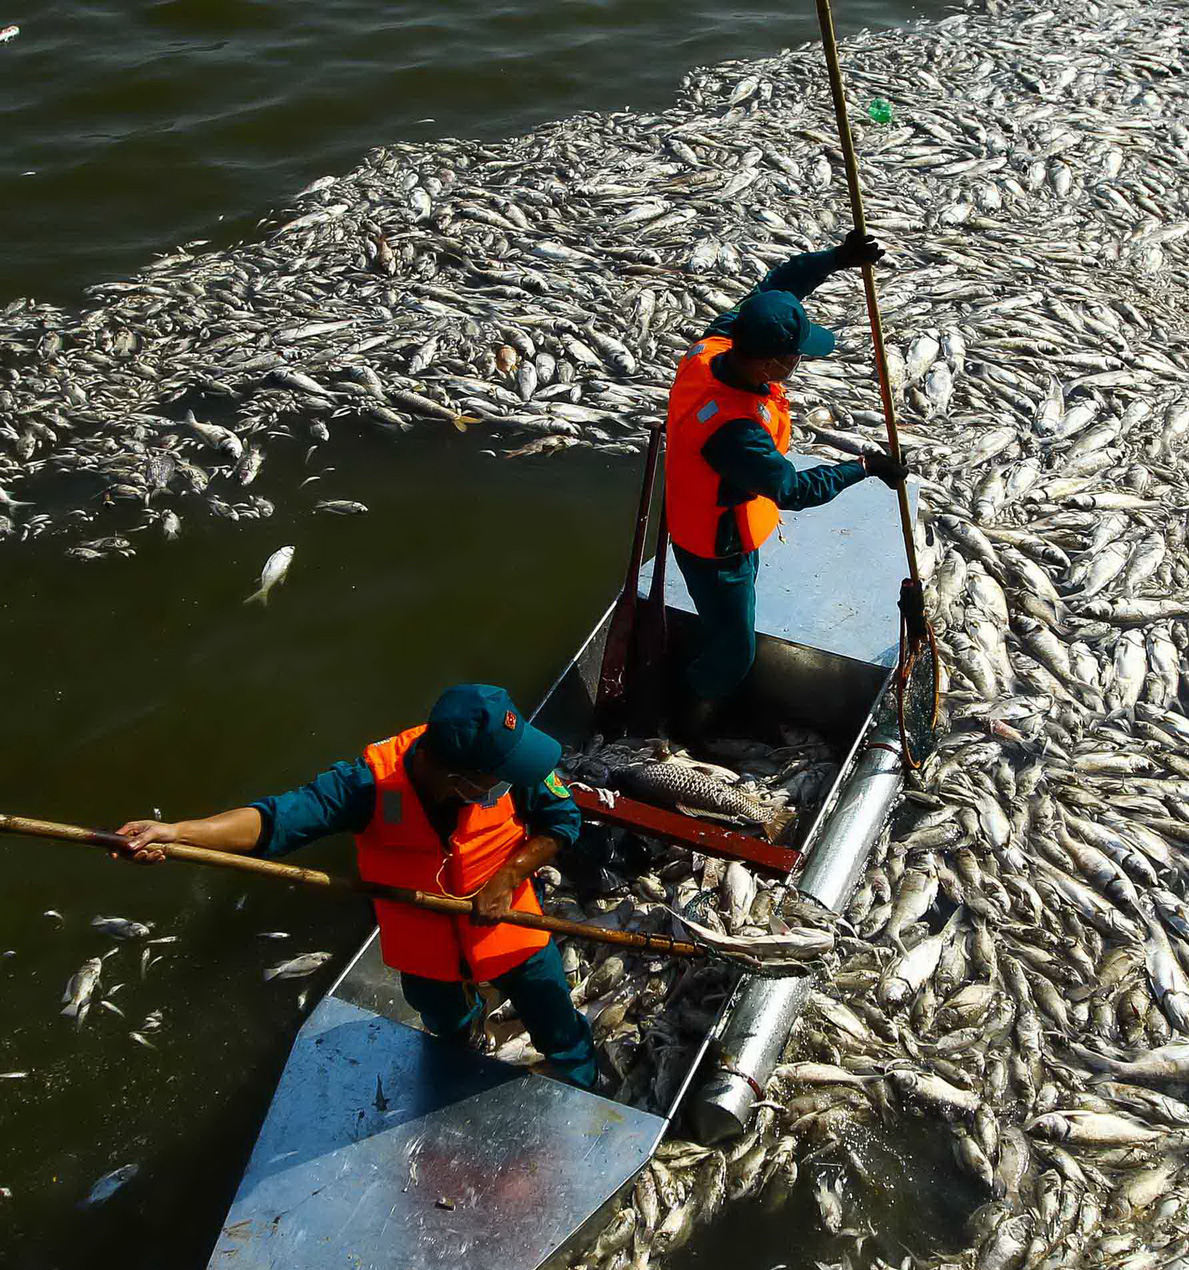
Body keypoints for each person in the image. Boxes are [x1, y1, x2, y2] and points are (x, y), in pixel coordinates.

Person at [114, 684, 599, 1090]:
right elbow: (273, 821)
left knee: (552, 1009)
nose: (509, 779)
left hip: (509, 924)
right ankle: (466, 1040)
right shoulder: (366, 787)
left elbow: (562, 820)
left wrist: (507, 877)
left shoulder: (512, 768)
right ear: (457, 777)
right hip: (423, 945)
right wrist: (178, 833)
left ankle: (579, 1075)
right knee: (445, 1024)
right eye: (495, 776)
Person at [664, 229, 908, 736]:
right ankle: (689, 714)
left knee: (731, 622)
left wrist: (837, 259)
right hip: (716, 547)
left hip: (706, 514)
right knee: (735, 650)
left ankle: (705, 683)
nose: (800, 362)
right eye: (797, 355)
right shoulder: (733, 432)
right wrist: (863, 468)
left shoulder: (719, 342)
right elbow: (794, 490)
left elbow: (780, 286)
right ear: (773, 363)